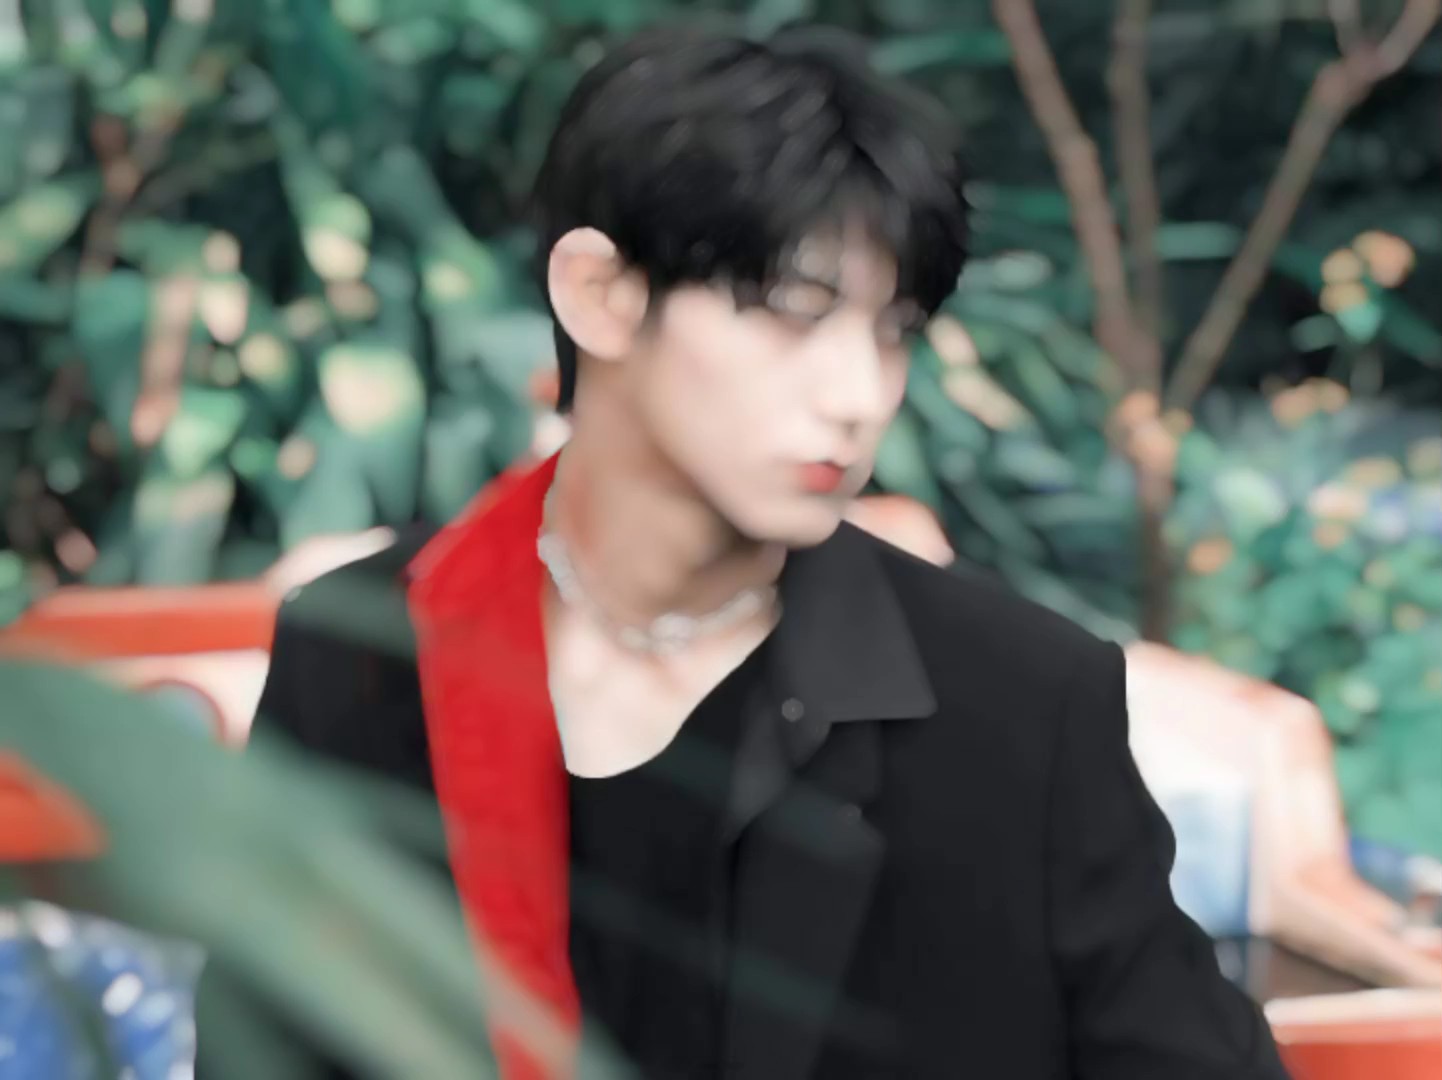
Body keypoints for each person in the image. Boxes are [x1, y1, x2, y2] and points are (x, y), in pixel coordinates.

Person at [235, 22, 1293, 1080]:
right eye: (793, 311)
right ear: (600, 294)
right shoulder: (359, 657)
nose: (859, 396)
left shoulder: (1019, 706)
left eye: (892, 331)